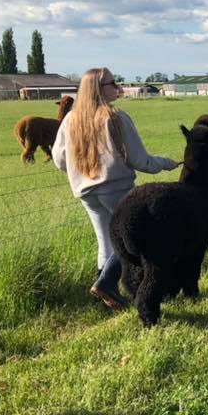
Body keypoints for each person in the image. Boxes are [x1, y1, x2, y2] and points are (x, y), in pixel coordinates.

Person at [52, 67, 179, 310]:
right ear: (99, 89)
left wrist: (80, 172)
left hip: (86, 191)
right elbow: (140, 160)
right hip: (117, 188)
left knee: (106, 242)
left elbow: (59, 160)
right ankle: (108, 284)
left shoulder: (71, 119)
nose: (118, 87)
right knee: (136, 239)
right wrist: (166, 163)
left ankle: (107, 297)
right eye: (113, 83)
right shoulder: (115, 117)